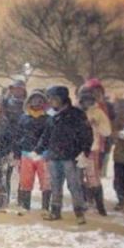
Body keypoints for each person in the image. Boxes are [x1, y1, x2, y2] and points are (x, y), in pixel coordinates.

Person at [35, 86, 93, 224]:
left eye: (53, 98)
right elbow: (46, 135)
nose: (50, 101)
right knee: (55, 185)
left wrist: (84, 151)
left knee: (74, 185)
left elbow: (86, 134)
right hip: (54, 156)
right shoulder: (51, 115)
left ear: (61, 98)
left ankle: (79, 212)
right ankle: (55, 211)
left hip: (70, 156)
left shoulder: (76, 114)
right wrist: (38, 149)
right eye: (49, 98)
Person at [17, 89, 51, 215]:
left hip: (43, 155)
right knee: (26, 181)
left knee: (46, 181)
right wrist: (17, 153)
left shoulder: (48, 119)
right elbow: (18, 135)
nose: (37, 103)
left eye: (40, 100)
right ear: (29, 102)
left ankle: (45, 207)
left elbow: (49, 136)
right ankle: (26, 206)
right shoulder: (23, 118)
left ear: (44, 103)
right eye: (34, 100)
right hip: (26, 154)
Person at [77, 90, 112, 216]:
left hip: (92, 149)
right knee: (78, 178)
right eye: (84, 101)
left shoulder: (97, 112)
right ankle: (84, 203)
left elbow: (107, 131)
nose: (86, 103)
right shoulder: (75, 112)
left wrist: (96, 124)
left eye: (89, 101)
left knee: (93, 178)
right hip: (76, 150)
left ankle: (100, 206)